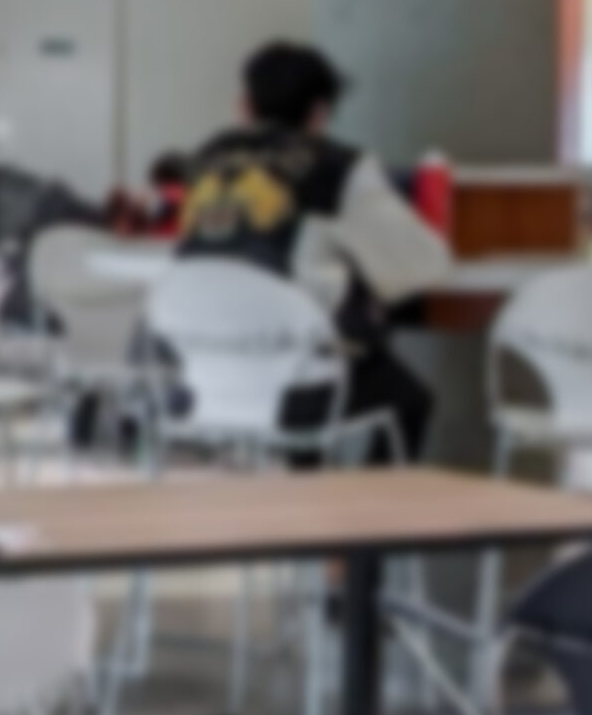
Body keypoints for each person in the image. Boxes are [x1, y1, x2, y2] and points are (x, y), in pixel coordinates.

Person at [179, 42, 452, 457]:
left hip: (201, 373)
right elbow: (424, 264)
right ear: (320, 111)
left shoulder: (203, 160)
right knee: (409, 400)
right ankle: (372, 499)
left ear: (244, 105)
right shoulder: (339, 168)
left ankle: (301, 477)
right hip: (296, 381)